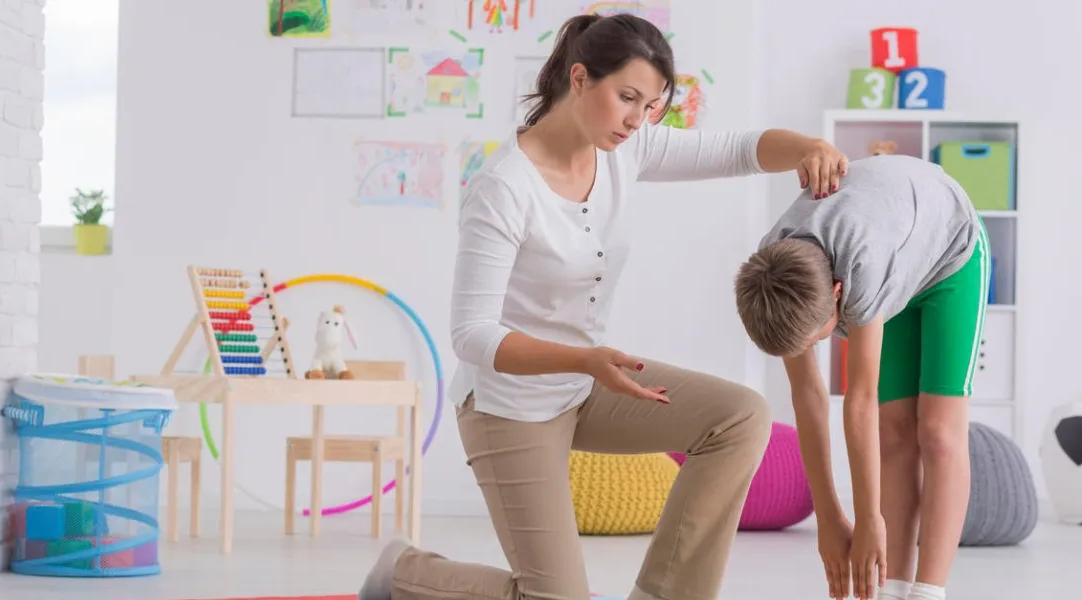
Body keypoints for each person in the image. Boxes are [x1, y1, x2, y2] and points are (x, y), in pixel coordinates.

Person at [358, 12, 849, 600]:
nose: (637, 120)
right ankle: (405, 573)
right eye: (628, 98)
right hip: (508, 408)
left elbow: (741, 149)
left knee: (739, 417)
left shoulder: (625, 150)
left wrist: (811, 146)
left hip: (586, 383)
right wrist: (585, 361)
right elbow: (473, 335)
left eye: (651, 106)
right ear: (581, 79)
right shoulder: (504, 188)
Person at [733, 153, 988, 600]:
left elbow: (860, 399)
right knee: (894, 432)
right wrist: (829, 517)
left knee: (937, 432)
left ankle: (929, 591)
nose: (812, 350)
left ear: (837, 293)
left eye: (817, 338)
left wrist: (870, 518)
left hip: (949, 249)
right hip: (897, 253)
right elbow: (807, 396)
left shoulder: (860, 266)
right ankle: (888, 588)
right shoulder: (774, 274)